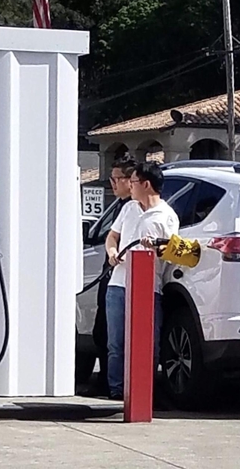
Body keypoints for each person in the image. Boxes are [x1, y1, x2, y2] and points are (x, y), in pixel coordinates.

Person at [104, 162, 179, 401]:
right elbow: (112, 236)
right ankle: (117, 390)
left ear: (146, 184)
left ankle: (142, 391)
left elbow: (171, 252)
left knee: (147, 342)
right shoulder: (128, 208)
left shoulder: (167, 216)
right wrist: (112, 252)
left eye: (133, 182)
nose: (130, 186)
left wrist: (156, 248)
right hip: (118, 283)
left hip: (148, 287)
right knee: (116, 342)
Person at [84, 155, 136, 398]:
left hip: (125, 277)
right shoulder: (120, 206)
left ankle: (113, 383)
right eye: (112, 179)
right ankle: (107, 380)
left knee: (112, 334)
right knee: (103, 331)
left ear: (131, 180)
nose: (113, 184)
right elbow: (109, 236)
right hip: (111, 275)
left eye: (116, 179)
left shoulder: (133, 207)